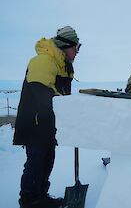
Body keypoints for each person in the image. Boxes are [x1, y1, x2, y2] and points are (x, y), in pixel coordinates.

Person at [13, 26, 81, 208]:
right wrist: (65, 107)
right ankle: (28, 200)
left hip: (47, 122)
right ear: (65, 46)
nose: (77, 51)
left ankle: (40, 196)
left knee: (47, 160)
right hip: (35, 121)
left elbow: (60, 96)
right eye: (76, 47)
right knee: (36, 162)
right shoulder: (43, 61)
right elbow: (42, 93)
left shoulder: (62, 65)